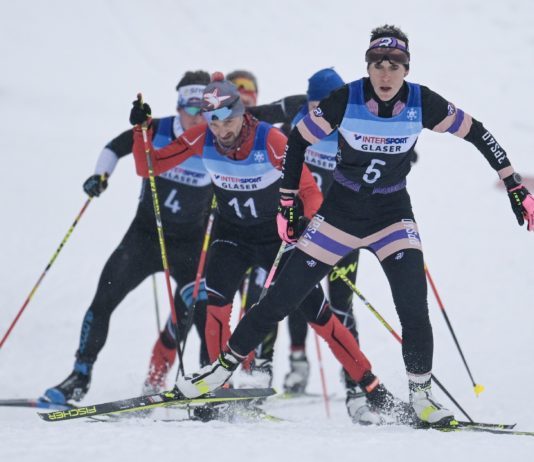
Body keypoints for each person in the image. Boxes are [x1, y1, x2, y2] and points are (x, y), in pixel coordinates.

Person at [175, 25, 534, 427]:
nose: (385, 75)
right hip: (339, 218)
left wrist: (513, 184)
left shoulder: (422, 102)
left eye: (394, 66)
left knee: (413, 305)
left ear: (406, 69)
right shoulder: (346, 98)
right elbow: (297, 141)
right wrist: (289, 202)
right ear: (368, 67)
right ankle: (218, 372)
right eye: (378, 65)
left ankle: (421, 397)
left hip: (391, 217)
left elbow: (478, 133)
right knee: (279, 299)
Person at [130, 73, 407, 424]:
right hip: (232, 237)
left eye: (228, 121)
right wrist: (142, 132)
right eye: (214, 124)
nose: (222, 132)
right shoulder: (204, 138)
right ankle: (219, 386)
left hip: (278, 239)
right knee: (214, 305)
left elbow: (309, 190)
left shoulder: (271, 139)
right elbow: (148, 166)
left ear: (241, 113)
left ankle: (371, 386)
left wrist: (309, 223)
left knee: (320, 316)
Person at [42, 70, 213, 404]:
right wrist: (100, 176)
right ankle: (79, 377)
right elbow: (114, 147)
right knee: (103, 301)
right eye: (189, 108)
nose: (196, 117)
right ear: (179, 106)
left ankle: (210, 384)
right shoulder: (156, 130)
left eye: (202, 109)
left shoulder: (215, 140)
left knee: (206, 313)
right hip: (144, 240)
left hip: (190, 246)